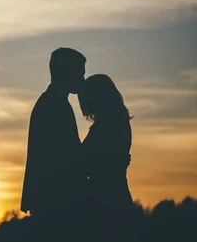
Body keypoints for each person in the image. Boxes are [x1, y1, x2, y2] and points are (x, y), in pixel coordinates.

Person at [20, 47, 88, 218]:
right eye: (80, 74)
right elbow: (66, 156)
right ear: (67, 73)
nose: (83, 79)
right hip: (56, 202)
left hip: (49, 199)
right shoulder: (55, 106)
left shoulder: (50, 102)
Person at [79, 74, 134, 229]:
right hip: (115, 196)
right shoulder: (117, 121)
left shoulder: (107, 126)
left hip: (106, 201)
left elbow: (89, 161)